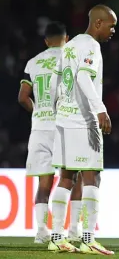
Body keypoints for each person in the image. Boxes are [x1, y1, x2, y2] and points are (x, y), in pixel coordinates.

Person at [47, 5, 116, 254]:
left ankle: (56, 236)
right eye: (111, 25)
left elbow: (60, 80)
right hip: (82, 120)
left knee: (66, 177)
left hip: (64, 119)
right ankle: (88, 237)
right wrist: (100, 109)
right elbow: (83, 78)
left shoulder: (71, 45)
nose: (113, 30)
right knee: (92, 177)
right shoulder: (90, 46)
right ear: (98, 23)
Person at [18, 22, 83, 244]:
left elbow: (22, 96)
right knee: (73, 176)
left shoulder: (33, 62)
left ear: (46, 41)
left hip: (39, 128)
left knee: (43, 183)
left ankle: (41, 231)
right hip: (64, 125)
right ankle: (73, 228)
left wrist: (37, 111)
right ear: (67, 38)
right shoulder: (71, 58)